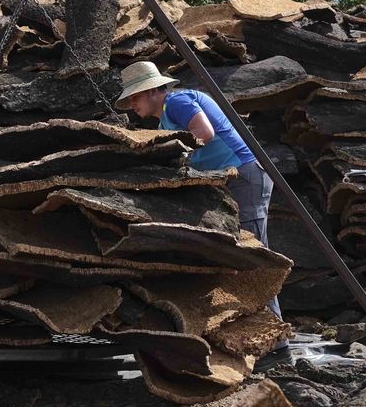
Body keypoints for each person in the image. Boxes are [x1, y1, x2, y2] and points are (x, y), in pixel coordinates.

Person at [115, 60, 281, 319]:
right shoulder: (164, 124)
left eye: (135, 97)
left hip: (244, 175)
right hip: (230, 179)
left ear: (152, 91)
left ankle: (277, 339)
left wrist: (176, 155)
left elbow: (204, 132)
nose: (133, 105)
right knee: (240, 255)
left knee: (256, 259)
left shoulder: (178, 102)